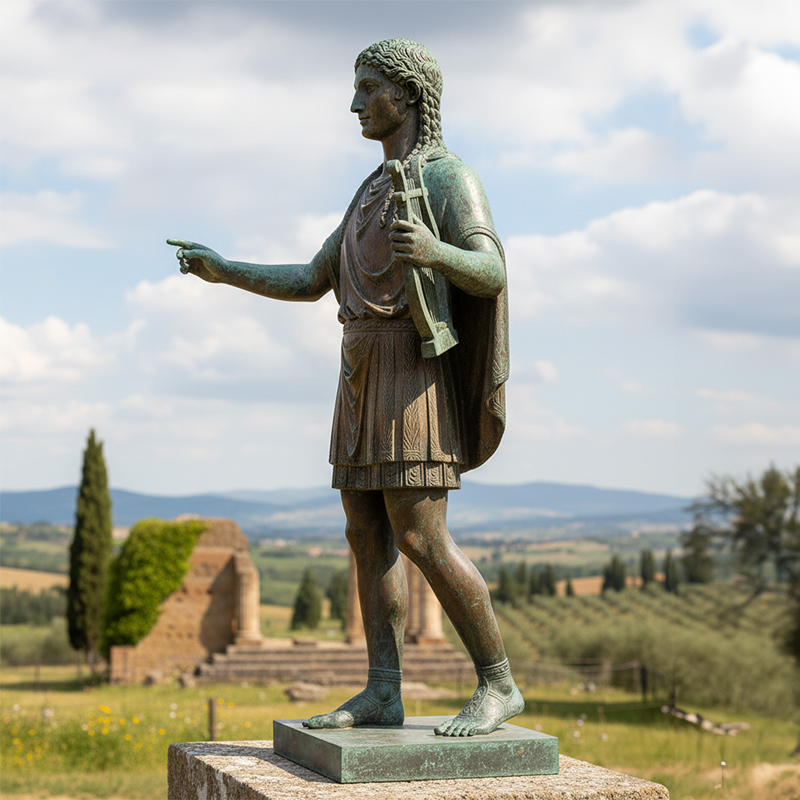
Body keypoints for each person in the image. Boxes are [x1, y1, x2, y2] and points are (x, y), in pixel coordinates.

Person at [168, 38, 522, 737]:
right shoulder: (366, 192)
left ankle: (498, 683)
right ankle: (382, 689)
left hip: (413, 374)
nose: (355, 102)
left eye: (368, 88)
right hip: (359, 372)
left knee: (420, 536)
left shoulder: (452, 179)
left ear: (410, 96)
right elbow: (310, 278)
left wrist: (434, 251)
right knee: (366, 535)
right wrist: (225, 269)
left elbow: (490, 272)